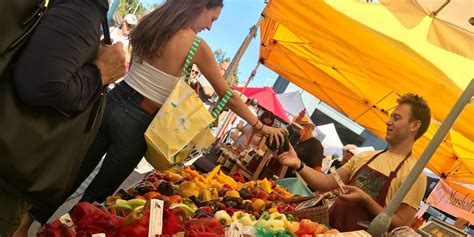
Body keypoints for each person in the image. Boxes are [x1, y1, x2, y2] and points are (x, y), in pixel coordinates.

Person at [19, 0, 286, 232]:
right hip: (138, 121)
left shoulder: (151, 23)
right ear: (200, 6)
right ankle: (62, 233)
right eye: (212, 18)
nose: (210, 26)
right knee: (97, 194)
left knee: (70, 174)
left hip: (110, 102)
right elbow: (226, 94)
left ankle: (21, 228)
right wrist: (258, 126)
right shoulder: (195, 44)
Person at [4, 0, 126, 236]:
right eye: (213, 18)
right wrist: (101, 73)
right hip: (9, 173)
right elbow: (42, 85)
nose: (210, 27)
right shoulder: (83, 7)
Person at [278, 93, 431, 231]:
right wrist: (299, 164)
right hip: (327, 231)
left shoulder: (415, 174)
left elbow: (401, 225)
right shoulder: (366, 156)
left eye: (396, 118)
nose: (388, 121)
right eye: (391, 116)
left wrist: (365, 200)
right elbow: (326, 182)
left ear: (414, 125)